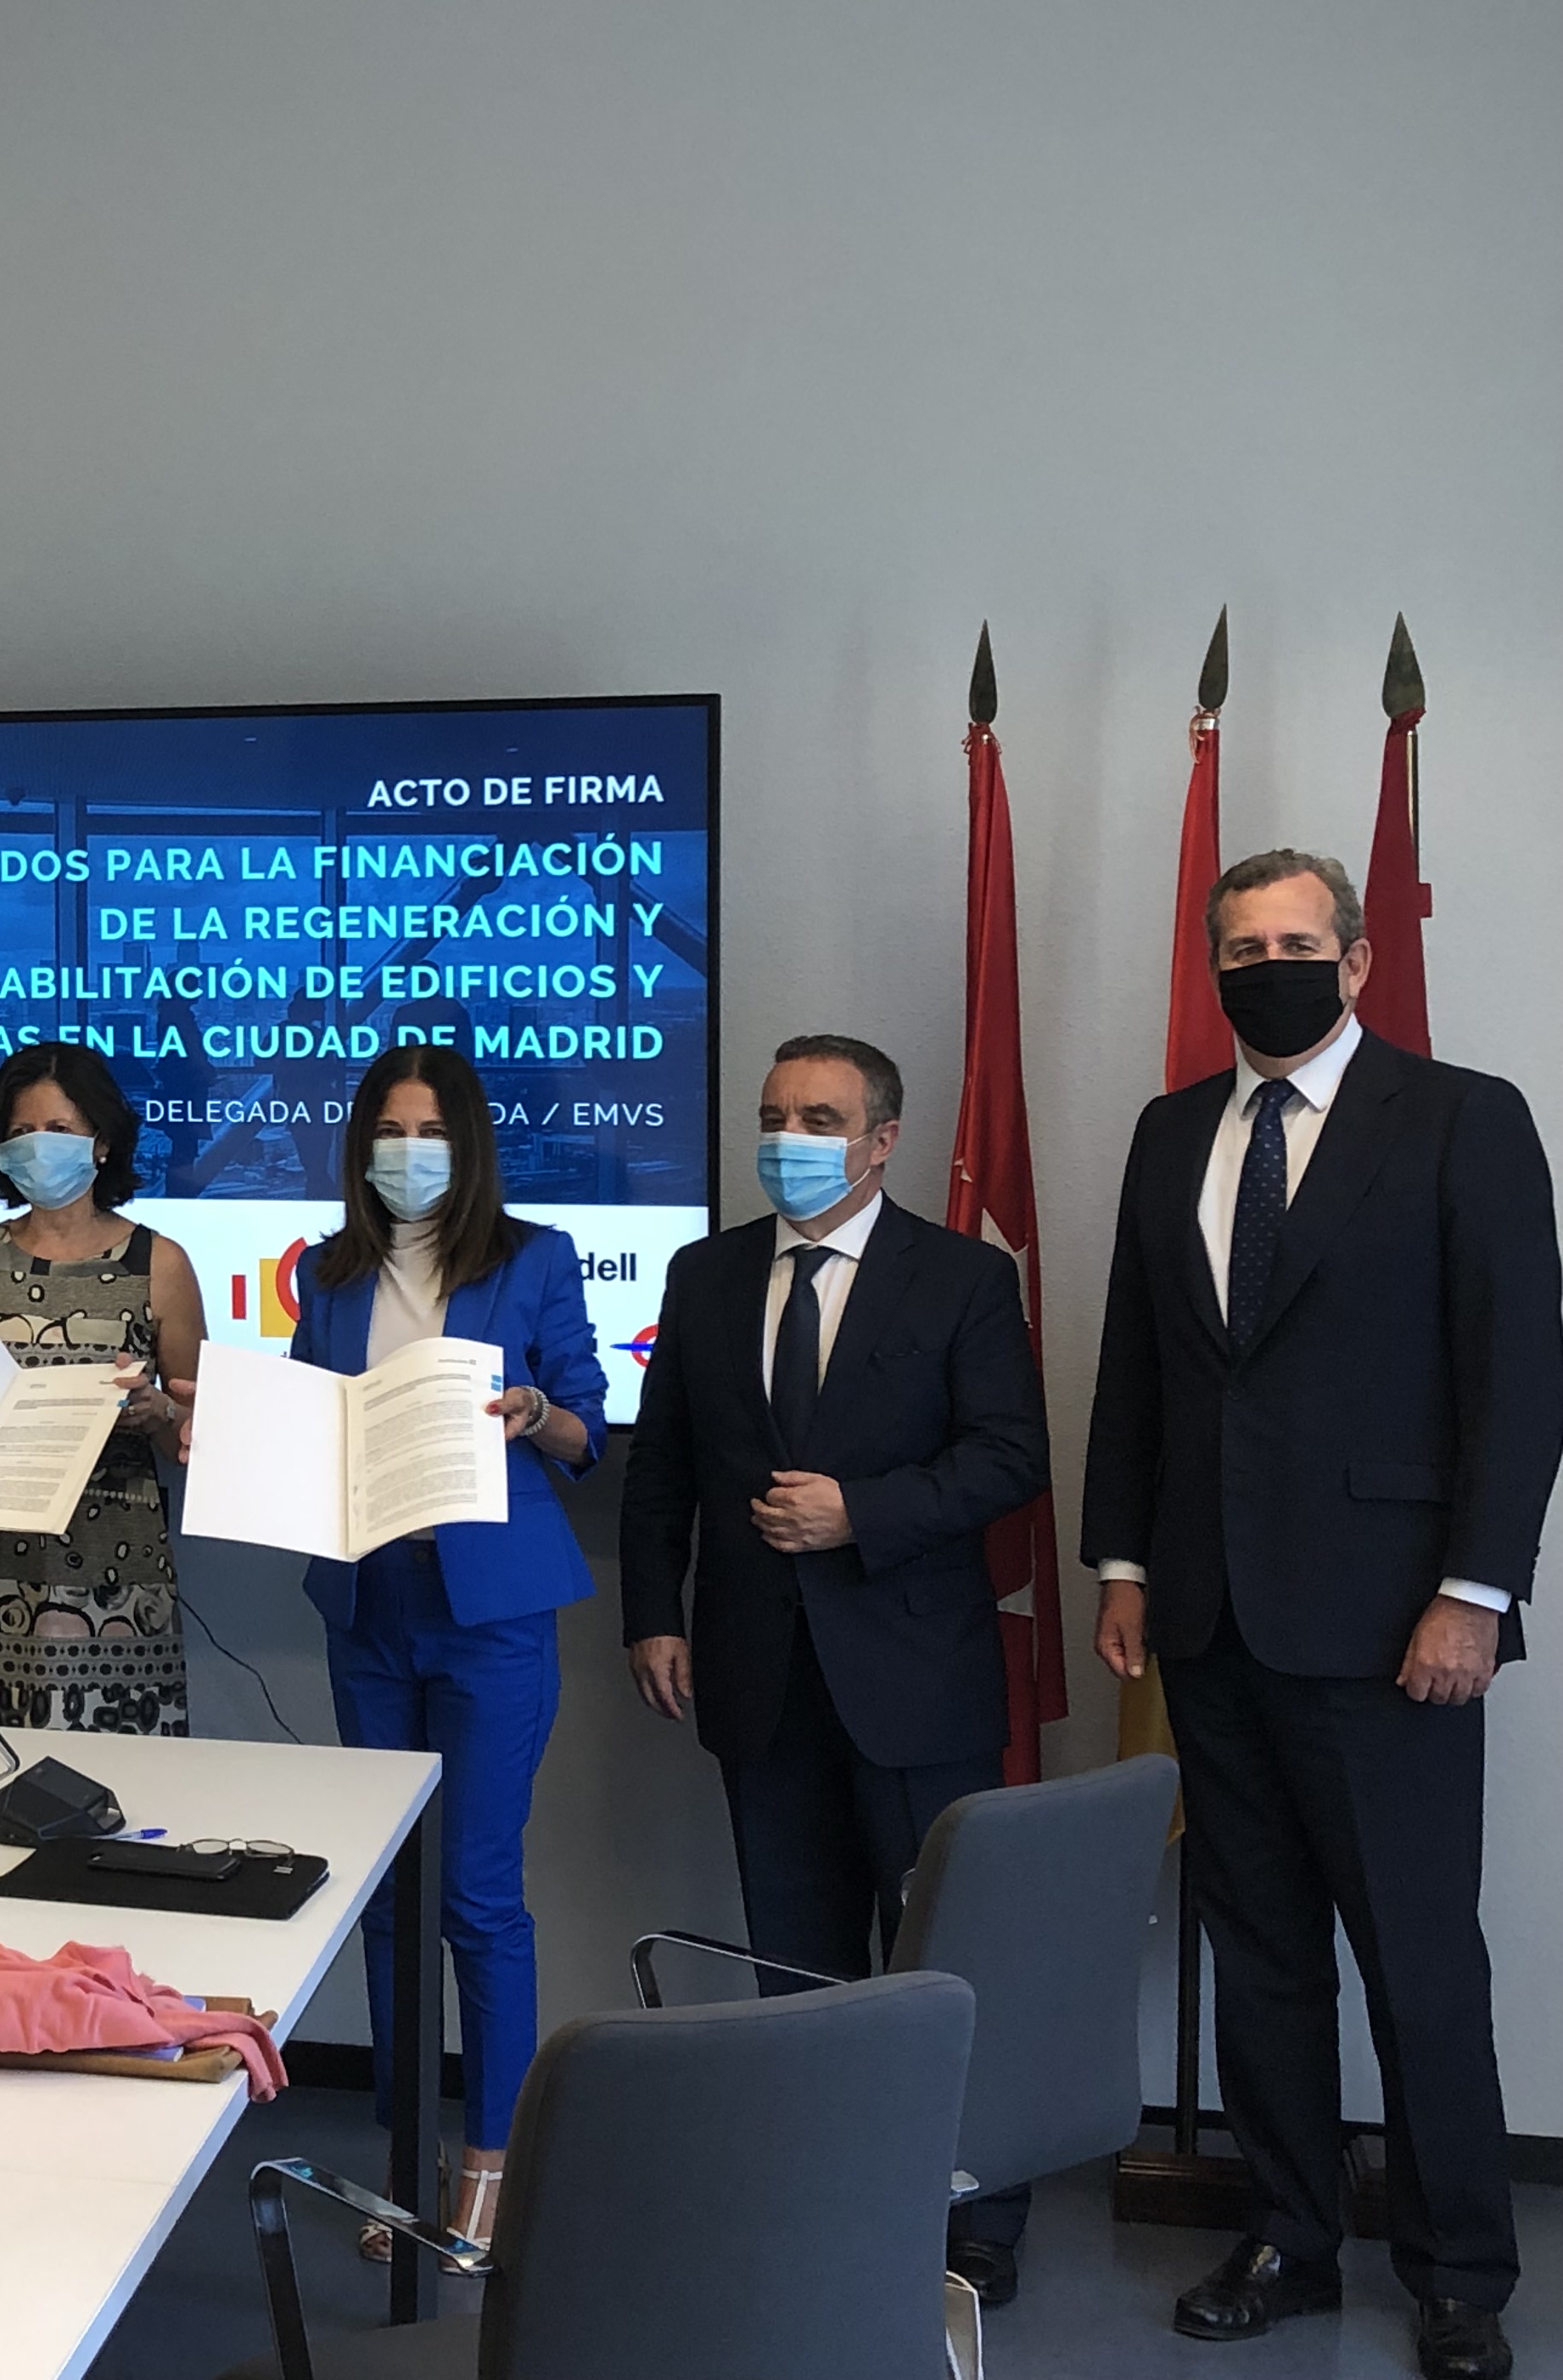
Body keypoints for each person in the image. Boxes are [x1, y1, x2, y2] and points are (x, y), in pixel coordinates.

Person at [1084, 850, 1557, 2380]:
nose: (1266, 965)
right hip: (1209, 1615)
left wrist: (1474, 1593)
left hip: (1392, 1626)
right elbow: (1137, 1363)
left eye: (1296, 941)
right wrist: (1122, 1563)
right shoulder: (1171, 1131)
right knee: (1262, 1953)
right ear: (1213, 965)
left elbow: (1517, 1374)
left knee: (1420, 1964)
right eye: (1241, 946)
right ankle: (1289, 2232)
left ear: (1354, 962)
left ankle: (1458, 2273)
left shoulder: (1464, 1117)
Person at [619, 1031, 1048, 2299]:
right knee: (795, 1961)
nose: (788, 1141)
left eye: (818, 1119)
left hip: (915, 1680)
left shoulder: (962, 1278)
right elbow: (664, 1470)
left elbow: (1010, 1456)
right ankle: (820, 2193)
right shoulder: (705, 1274)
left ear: (882, 1141)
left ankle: (975, 2213)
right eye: (773, 1116)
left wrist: (863, 1511)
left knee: (942, 1955)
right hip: (757, 1676)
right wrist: (654, 1615)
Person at [272, 1043, 605, 2261]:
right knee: (390, 1901)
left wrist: (535, 1414)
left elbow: (586, 1429)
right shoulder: (329, 1270)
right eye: (388, 1130)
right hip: (370, 1605)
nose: (407, 1152)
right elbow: (308, 1420)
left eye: (430, 1132)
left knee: (475, 1894)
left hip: (493, 1613)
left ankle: (492, 2162)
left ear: (468, 1147)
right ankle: (407, 2162)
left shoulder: (535, 1259)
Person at [0, 1041, 201, 1734]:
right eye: (21, 1131)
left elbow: (191, 1430)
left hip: (116, 1565)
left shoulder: (160, 1263)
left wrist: (161, 1410)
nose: (39, 1145)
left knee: (123, 1773)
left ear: (102, 1141)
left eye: (59, 1129)